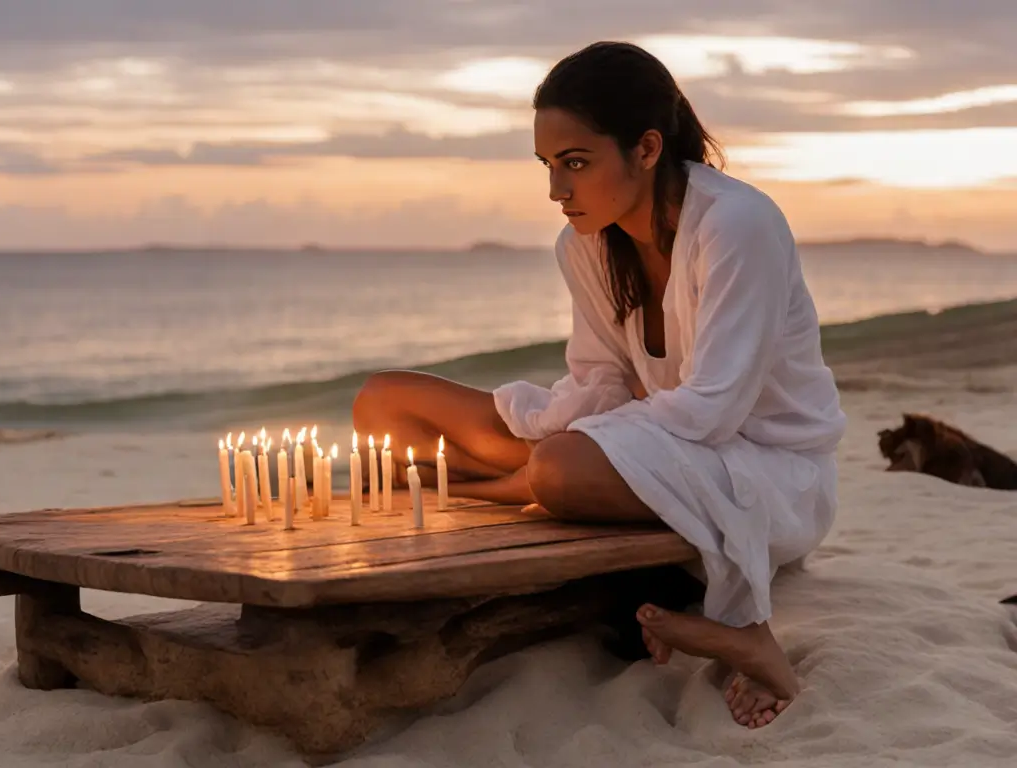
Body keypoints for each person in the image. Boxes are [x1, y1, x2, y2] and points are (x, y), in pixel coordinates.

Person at [351, 41, 846, 729]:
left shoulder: (738, 225)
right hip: (651, 450)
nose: (558, 190)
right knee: (384, 401)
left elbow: (714, 410)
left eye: (576, 163)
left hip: (764, 474)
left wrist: (544, 459)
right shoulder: (585, 242)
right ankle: (503, 485)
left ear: (646, 148)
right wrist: (540, 423)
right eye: (549, 166)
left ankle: (740, 629)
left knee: (558, 469)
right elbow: (600, 384)